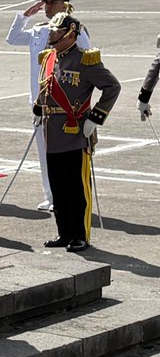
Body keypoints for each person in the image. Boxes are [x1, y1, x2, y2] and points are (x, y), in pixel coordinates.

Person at [34, 13, 120, 252]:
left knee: (77, 188)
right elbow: (47, 87)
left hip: (75, 132)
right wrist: (39, 107)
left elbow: (112, 86)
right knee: (58, 187)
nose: (50, 34)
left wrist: (96, 116)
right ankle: (64, 232)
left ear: (71, 33)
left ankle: (80, 235)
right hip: (52, 132)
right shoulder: (49, 58)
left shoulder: (85, 61)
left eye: (55, 31)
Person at [5, 0, 91, 210]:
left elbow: (86, 61)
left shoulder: (75, 30)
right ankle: (51, 195)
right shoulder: (39, 29)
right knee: (45, 152)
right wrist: (25, 15)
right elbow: (12, 38)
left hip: (64, 104)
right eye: (45, 1)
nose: (47, 5)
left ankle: (71, 196)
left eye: (52, 2)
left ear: (66, 5)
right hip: (39, 102)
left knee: (68, 155)